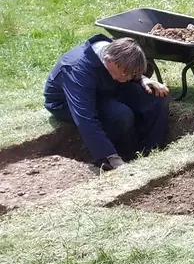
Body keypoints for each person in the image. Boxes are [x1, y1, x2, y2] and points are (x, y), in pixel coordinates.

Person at [44, 36, 170, 170]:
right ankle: (117, 157)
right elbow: (85, 118)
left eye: (131, 75)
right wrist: (110, 156)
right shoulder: (77, 69)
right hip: (68, 103)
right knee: (119, 114)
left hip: (107, 88)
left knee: (157, 98)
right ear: (108, 61)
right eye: (125, 74)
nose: (128, 78)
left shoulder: (117, 52)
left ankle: (150, 153)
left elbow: (128, 73)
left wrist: (142, 79)